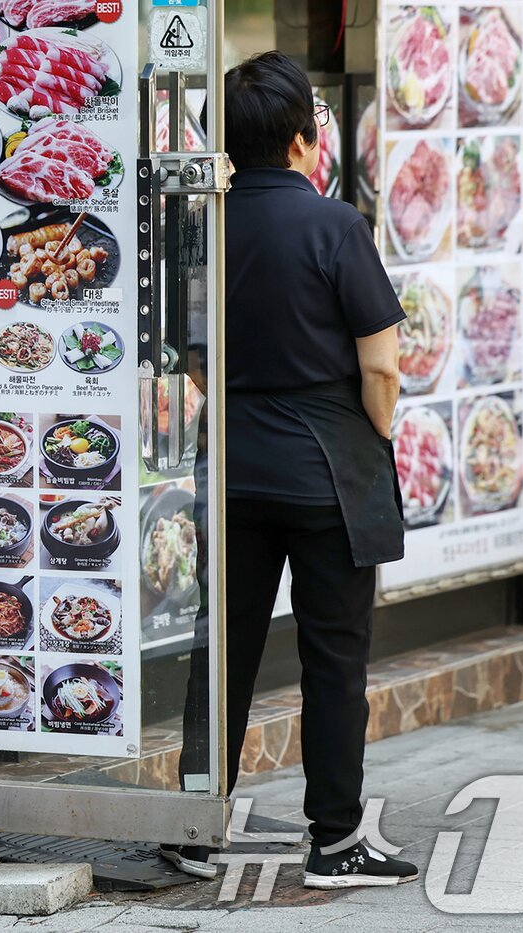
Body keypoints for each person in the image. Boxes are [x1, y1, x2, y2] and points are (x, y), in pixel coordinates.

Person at [159, 51, 418, 889]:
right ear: (307, 142)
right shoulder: (336, 226)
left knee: (221, 649)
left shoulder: (202, 224)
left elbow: (188, 357)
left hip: (231, 469)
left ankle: (196, 827)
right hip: (327, 475)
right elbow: (381, 366)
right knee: (334, 657)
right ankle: (337, 841)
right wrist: (367, 433)